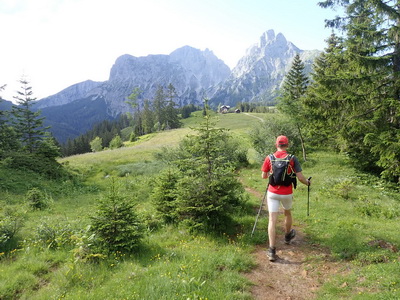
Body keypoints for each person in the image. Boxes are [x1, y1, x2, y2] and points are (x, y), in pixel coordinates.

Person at [261, 135, 311, 262]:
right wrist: (307, 183)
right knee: (287, 213)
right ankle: (288, 236)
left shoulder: (269, 158)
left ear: (276, 144)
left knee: (272, 220)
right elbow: (300, 177)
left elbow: (264, 176)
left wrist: (272, 174)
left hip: (272, 192)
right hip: (287, 192)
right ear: (287, 145)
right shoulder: (292, 158)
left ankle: (272, 250)